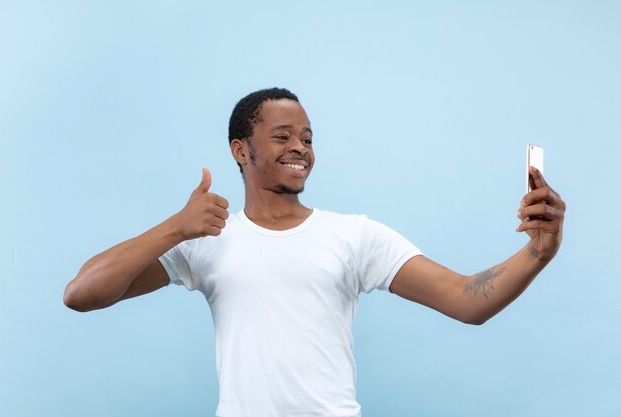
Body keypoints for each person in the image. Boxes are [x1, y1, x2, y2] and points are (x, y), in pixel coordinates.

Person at [64, 87, 566, 417]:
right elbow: (82, 293)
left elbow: (465, 300)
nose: (300, 147)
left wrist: (537, 254)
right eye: (282, 136)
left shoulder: (354, 235)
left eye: (307, 137)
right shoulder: (205, 241)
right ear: (241, 150)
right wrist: (175, 228)